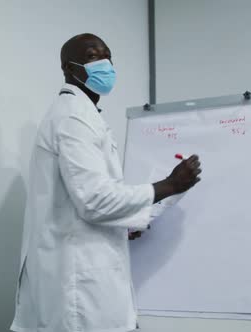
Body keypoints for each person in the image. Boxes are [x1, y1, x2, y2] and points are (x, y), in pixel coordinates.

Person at [11, 33, 202, 332]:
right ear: (68, 68)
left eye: (107, 55)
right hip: (77, 288)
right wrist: (169, 185)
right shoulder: (73, 117)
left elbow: (82, 201)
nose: (104, 63)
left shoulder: (86, 114)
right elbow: (95, 201)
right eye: (91, 56)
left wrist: (123, 222)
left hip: (86, 278)